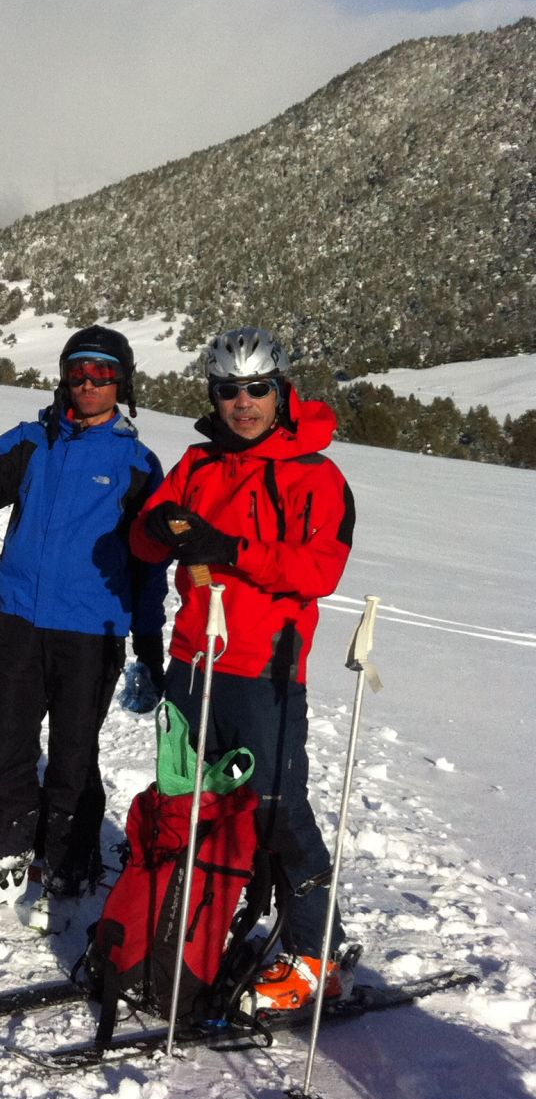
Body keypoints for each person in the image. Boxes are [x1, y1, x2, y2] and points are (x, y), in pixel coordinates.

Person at [130, 325, 356, 1013]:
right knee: (194, 805)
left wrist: (229, 547)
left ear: (282, 391)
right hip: (192, 662)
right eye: (229, 390)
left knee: (277, 812)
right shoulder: (198, 465)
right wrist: (164, 527)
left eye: (258, 388)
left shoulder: (316, 475)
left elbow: (320, 570)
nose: (244, 403)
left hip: (264, 670)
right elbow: (144, 540)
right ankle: (193, 926)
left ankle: (320, 953)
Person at [0, 325, 168, 917]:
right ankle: (3, 859)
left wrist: (150, 643)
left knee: (73, 755)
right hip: (21, 621)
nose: (89, 384)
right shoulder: (33, 440)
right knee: (7, 743)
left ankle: (70, 865)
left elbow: (150, 565)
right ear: (64, 377)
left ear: (122, 384)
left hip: (92, 634)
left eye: (103, 374)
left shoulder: (138, 464)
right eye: (79, 372)